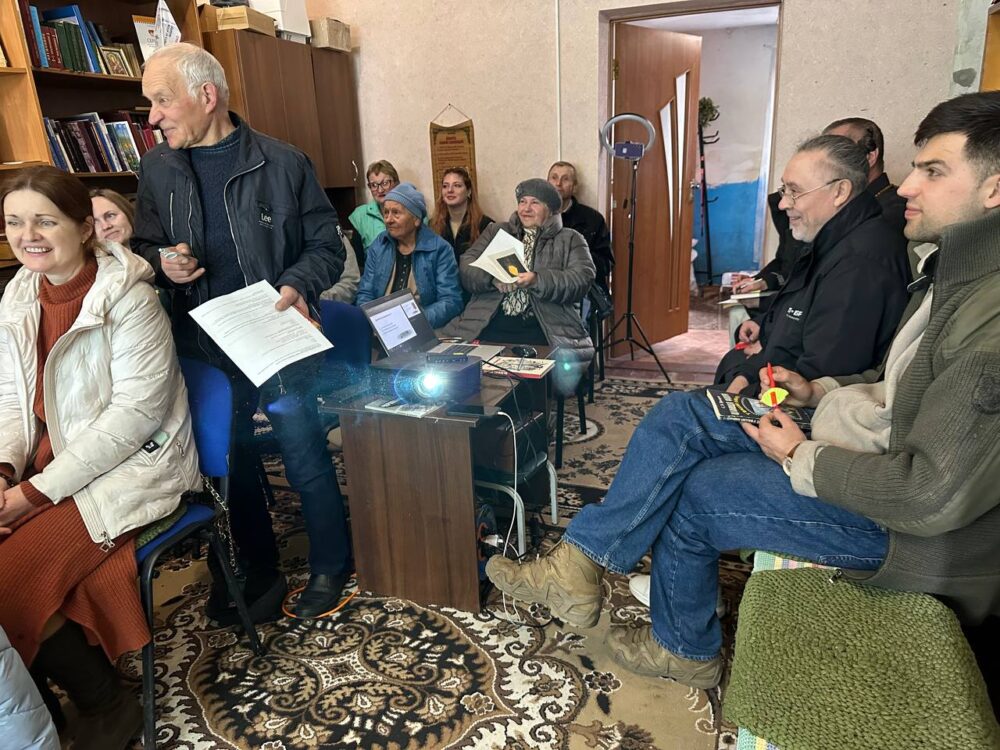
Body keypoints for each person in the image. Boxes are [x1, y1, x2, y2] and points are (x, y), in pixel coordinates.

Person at [486, 91, 1000, 690]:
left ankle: (628, 604)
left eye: (933, 171)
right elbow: (893, 380)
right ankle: (628, 601)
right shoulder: (949, 271)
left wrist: (800, 452)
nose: (906, 186)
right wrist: (817, 389)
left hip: (910, 534)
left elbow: (930, 496)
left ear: (994, 189)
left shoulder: (956, 297)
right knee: (684, 428)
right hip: (849, 432)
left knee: (688, 452)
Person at [131, 42, 353, 620]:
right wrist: (162, 262)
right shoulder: (156, 167)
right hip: (204, 345)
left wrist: (299, 282)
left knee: (304, 454)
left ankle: (331, 562)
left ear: (207, 96)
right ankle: (258, 569)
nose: (152, 116)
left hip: (276, 334)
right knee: (231, 465)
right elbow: (143, 244)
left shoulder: (284, 162)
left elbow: (326, 246)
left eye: (161, 100)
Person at [0, 165, 200, 747]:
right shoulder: (18, 295)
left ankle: (106, 703)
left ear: (84, 228)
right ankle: (36, 704)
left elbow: (132, 418)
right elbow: (11, 401)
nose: (27, 235)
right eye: (13, 222)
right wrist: (5, 471)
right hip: (52, 468)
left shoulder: (131, 298)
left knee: (7, 579)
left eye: (44, 221)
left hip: (135, 468)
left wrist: (31, 494)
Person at [715, 135, 909, 395]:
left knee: (678, 410)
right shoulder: (829, 242)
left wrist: (742, 386)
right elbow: (790, 333)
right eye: (784, 190)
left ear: (840, 192)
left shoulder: (859, 263)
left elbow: (817, 377)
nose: (783, 203)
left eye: (794, 191)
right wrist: (745, 375)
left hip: (792, 406)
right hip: (769, 377)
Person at [735, 116, 906, 298]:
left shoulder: (893, 213)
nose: (784, 203)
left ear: (870, 157)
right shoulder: (812, 206)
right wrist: (767, 281)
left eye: (839, 147)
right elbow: (791, 263)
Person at [444, 178, 595, 368]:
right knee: (465, 369)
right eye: (522, 202)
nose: (526, 209)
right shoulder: (496, 231)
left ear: (550, 210)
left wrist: (537, 280)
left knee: (529, 373)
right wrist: (491, 278)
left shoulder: (570, 238)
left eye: (535, 203)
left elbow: (582, 278)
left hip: (543, 325)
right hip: (490, 320)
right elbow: (467, 264)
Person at [355, 182, 463, 328]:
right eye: (386, 212)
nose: (388, 219)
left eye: (396, 213)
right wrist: (375, 321)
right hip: (381, 328)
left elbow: (451, 301)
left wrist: (415, 321)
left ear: (416, 219)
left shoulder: (440, 249)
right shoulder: (379, 245)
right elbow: (365, 293)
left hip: (423, 327)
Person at [547, 161, 613, 292]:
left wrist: (575, 257)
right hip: (546, 291)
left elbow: (606, 264)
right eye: (554, 178)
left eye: (565, 179)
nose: (558, 184)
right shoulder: (535, 217)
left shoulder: (593, 219)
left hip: (581, 292)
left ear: (575, 186)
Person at [429, 166, 493, 264]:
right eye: (445, 186)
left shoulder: (486, 226)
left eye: (457, 185)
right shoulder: (432, 226)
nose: (450, 190)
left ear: (469, 191)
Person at [347, 159, 399, 269]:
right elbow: (359, 263)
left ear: (396, 183)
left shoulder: (411, 212)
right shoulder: (360, 216)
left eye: (385, 183)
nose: (380, 190)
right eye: (374, 185)